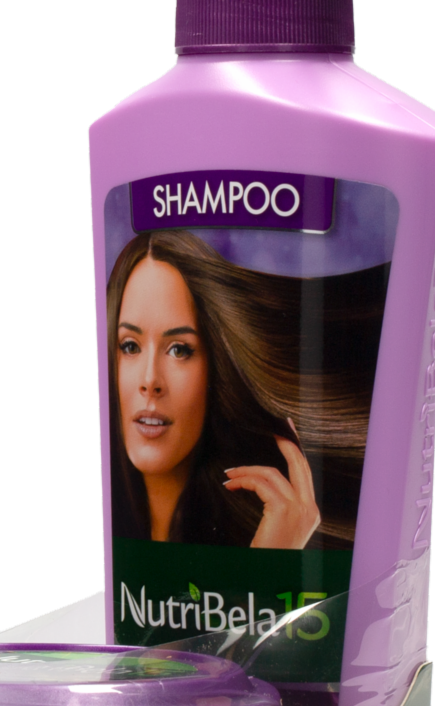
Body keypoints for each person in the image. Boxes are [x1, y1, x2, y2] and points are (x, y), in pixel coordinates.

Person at [108, 230, 333, 548]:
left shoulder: (269, 533)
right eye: (130, 346)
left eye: (179, 350)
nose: (150, 380)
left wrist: (273, 561)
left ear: (216, 367)